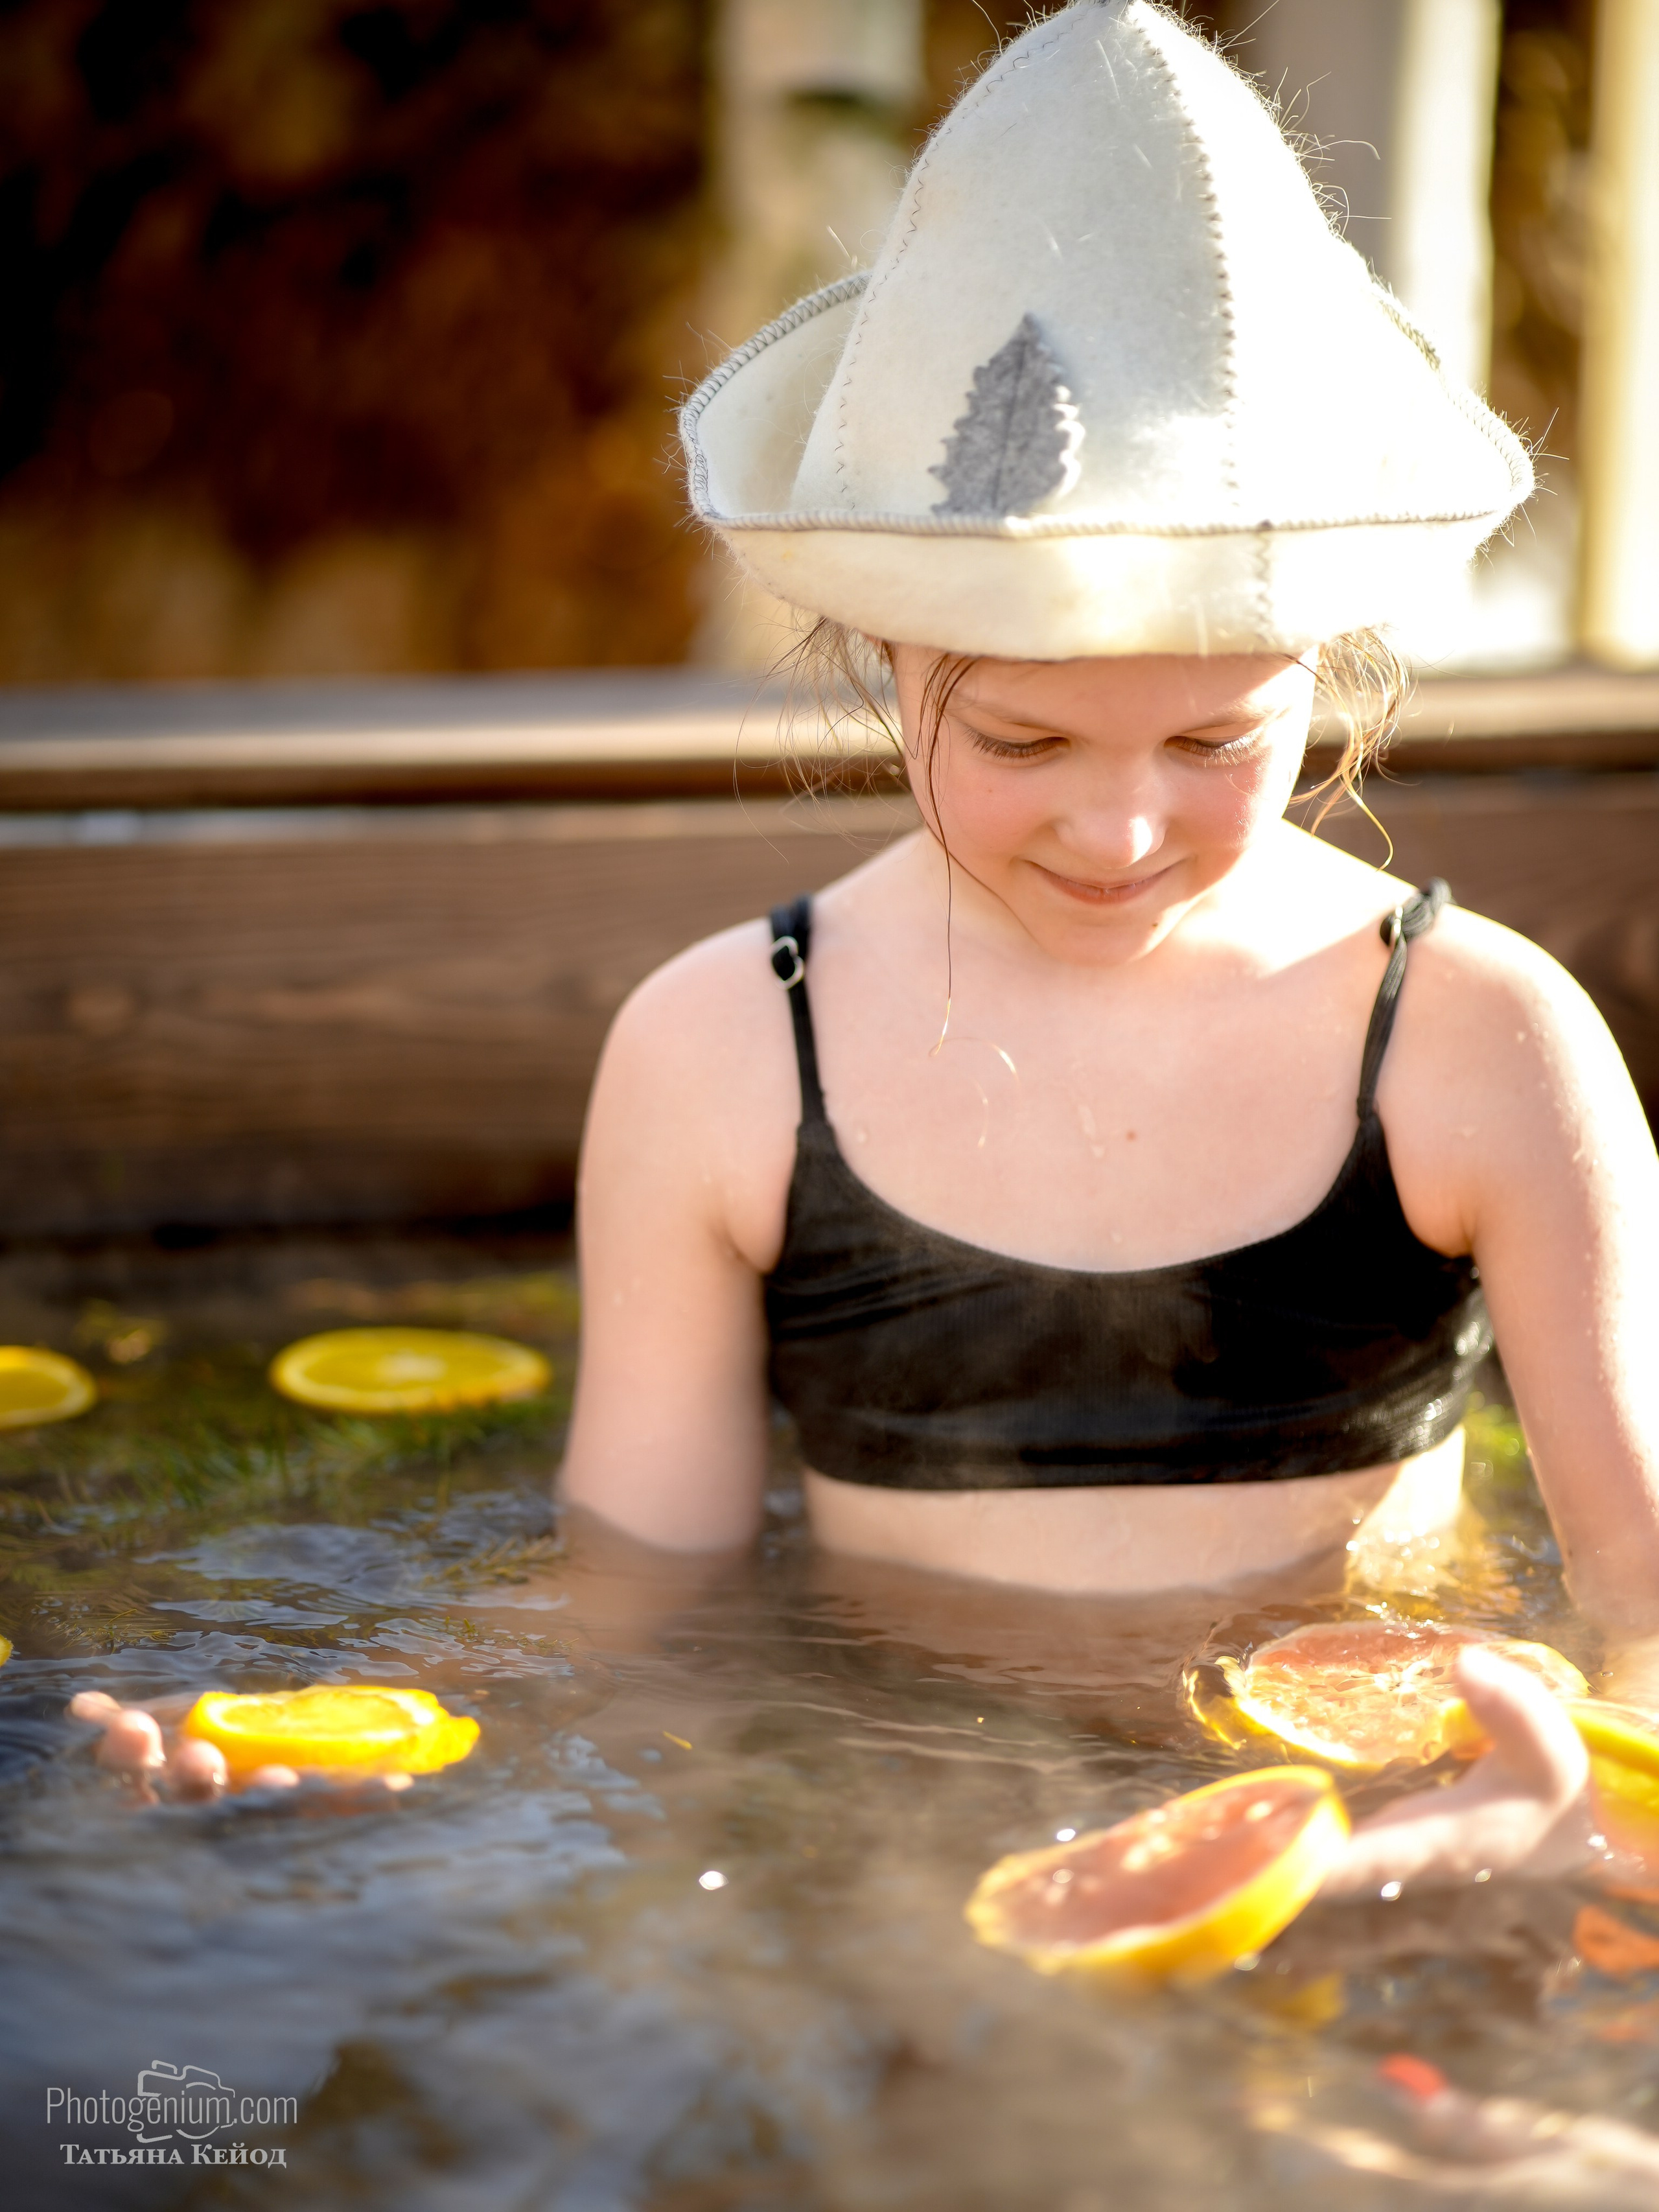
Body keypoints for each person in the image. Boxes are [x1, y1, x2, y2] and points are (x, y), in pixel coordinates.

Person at [85, 5, 1659, 1900]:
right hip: (886, 1833)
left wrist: (1535, 1829)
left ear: (1324, 682)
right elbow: (636, 1588)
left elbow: (1641, 1590)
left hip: (1378, 1835)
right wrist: (337, 1734)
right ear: (878, 662)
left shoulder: (1478, 1041)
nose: (1122, 828)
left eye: (1218, 743)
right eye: (1019, 743)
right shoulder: (723, 1051)